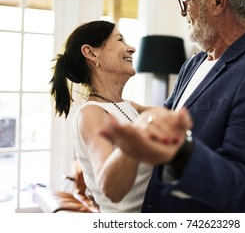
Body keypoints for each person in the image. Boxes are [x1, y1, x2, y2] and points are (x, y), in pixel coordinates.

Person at [101, 0, 245, 213]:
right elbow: (165, 117)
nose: (184, 12)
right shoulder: (193, 64)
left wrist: (177, 152)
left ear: (217, 0)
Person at [50, 20, 191, 212]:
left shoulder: (128, 106)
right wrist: (136, 140)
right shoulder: (91, 113)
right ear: (91, 53)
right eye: (120, 40)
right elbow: (111, 189)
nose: (131, 48)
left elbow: (174, 117)